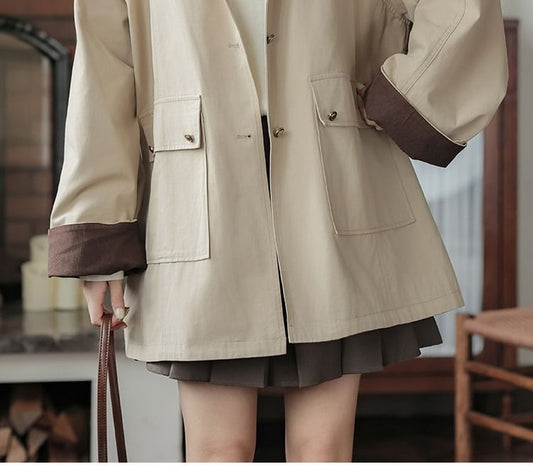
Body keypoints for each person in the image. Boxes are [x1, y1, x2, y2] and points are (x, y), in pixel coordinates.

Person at [48, 0, 508, 462]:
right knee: (219, 453)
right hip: (199, 193)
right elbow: (104, 68)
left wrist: (406, 91)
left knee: (322, 452)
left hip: (332, 174)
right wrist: (97, 234)